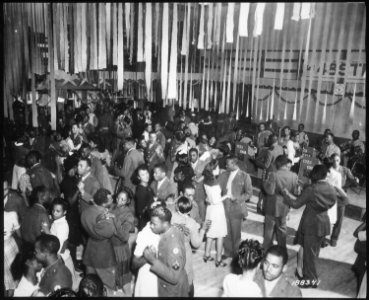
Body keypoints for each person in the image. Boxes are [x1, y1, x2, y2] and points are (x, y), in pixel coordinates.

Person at [282, 165, 337, 287]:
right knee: (313, 253)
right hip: (323, 224)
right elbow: (332, 202)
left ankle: (310, 280)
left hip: (312, 225)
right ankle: (306, 274)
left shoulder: (312, 189)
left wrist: (286, 194)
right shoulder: (331, 188)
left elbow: (296, 204)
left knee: (309, 255)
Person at [142, 206, 189, 297]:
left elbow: (174, 277)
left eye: (154, 224)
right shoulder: (170, 231)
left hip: (172, 290)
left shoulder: (174, 246)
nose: (151, 226)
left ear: (165, 224)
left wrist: (153, 260)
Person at [171, 197, 211, 296]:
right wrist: (202, 230)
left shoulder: (171, 217)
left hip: (171, 250)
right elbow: (196, 243)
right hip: (184, 252)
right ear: (190, 209)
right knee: (187, 277)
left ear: (177, 207)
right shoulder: (192, 223)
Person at [80, 188, 117, 291]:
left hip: (90, 251)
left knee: (90, 286)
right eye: (110, 199)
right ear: (104, 203)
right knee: (107, 286)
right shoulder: (104, 216)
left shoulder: (85, 212)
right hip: (104, 254)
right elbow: (111, 232)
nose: (112, 200)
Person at [262, 155, 300, 250]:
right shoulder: (294, 176)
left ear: (278, 164)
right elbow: (296, 193)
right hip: (285, 206)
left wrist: (264, 182)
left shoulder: (273, 174)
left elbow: (269, 191)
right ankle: (282, 251)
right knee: (282, 231)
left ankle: (266, 251)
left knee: (268, 232)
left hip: (271, 206)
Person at [219, 156, 253, 258]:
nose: (226, 165)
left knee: (236, 233)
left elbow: (249, 193)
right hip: (225, 206)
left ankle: (236, 254)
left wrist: (237, 198)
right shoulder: (224, 174)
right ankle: (228, 251)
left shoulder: (245, 176)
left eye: (228, 164)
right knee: (226, 231)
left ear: (234, 164)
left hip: (237, 208)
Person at [41, 198, 79, 290]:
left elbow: (58, 245)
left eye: (58, 211)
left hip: (61, 257)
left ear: (64, 212)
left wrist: (46, 231)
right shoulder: (57, 222)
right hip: (59, 255)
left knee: (68, 283)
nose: (54, 213)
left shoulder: (62, 226)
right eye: (53, 210)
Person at [132, 202, 162, 297]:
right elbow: (134, 263)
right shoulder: (145, 235)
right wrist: (147, 257)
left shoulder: (168, 229)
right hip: (149, 281)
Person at [109, 190, 135, 294]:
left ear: (128, 201)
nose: (119, 201)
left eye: (123, 199)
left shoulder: (129, 216)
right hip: (110, 246)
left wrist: (114, 221)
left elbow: (124, 236)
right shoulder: (113, 208)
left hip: (120, 249)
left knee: (121, 274)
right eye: (118, 198)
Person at [203, 160, 228, 267]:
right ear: (213, 170)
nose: (219, 169)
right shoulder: (215, 183)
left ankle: (206, 255)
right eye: (217, 168)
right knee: (220, 235)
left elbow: (209, 198)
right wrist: (228, 195)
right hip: (217, 210)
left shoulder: (206, 181)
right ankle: (218, 259)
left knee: (210, 234)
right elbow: (216, 200)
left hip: (210, 210)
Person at [4, 194, 21, 297]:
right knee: (12, 277)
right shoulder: (11, 214)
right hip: (8, 245)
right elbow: (19, 234)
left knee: (5, 277)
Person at [189, 147, 208, 222]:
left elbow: (207, 174)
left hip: (200, 192)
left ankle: (203, 228)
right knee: (192, 212)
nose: (192, 157)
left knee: (202, 211)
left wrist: (200, 179)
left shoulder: (203, 164)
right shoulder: (188, 164)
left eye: (194, 155)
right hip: (190, 192)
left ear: (197, 155)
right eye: (190, 155)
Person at [134, 164, 155, 230]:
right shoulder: (141, 192)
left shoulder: (147, 186)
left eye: (146, 173)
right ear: (139, 177)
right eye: (143, 175)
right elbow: (140, 211)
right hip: (146, 222)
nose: (146, 176)